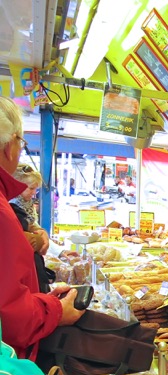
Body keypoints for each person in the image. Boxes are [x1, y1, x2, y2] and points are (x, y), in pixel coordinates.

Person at [0, 98, 84, 360]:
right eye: (21, 142)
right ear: (8, 145)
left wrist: (45, 298)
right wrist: (57, 310)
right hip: (11, 371)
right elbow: (12, 318)